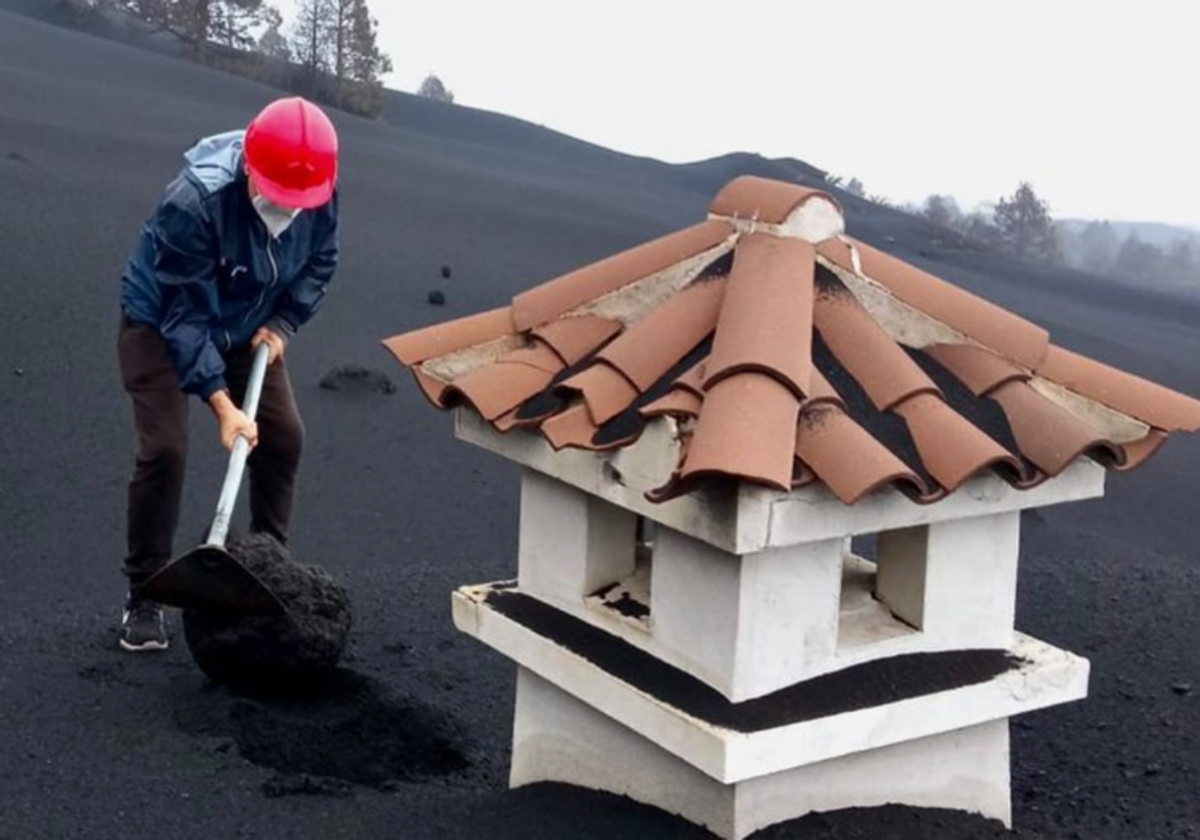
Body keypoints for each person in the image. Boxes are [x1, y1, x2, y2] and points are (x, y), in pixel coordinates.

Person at [116, 97, 339, 652]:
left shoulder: (319, 189)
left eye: (299, 202)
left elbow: (321, 258)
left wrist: (284, 321)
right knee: (165, 449)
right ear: (252, 172)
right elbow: (184, 318)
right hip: (161, 320)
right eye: (278, 198)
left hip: (245, 325)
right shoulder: (194, 204)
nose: (289, 210)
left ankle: (266, 571)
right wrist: (222, 405)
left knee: (283, 437)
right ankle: (143, 594)